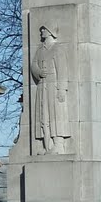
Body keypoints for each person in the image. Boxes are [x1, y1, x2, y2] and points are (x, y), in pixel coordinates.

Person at [30, 25, 70, 154]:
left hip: (54, 86)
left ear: (50, 32)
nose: (41, 31)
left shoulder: (57, 48)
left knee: (56, 114)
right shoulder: (40, 49)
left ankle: (58, 144)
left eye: (44, 29)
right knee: (44, 114)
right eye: (41, 29)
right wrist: (39, 72)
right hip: (43, 85)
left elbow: (62, 70)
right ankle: (47, 144)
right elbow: (33, 64)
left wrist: (62, 89)